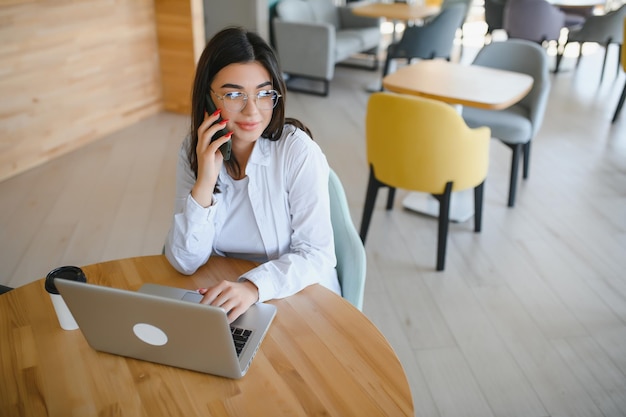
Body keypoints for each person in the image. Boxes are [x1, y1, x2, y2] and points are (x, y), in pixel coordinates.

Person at [164, 27, 341, 322]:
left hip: (298, 296)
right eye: (234, 94)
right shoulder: (193, 151)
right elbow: (184, 261)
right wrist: (205, 181)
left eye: (263, 93)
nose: (252, 111)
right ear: (207, 98)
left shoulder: (296, 151)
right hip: (227, 299)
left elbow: (317, 255)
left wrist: (252, 287)